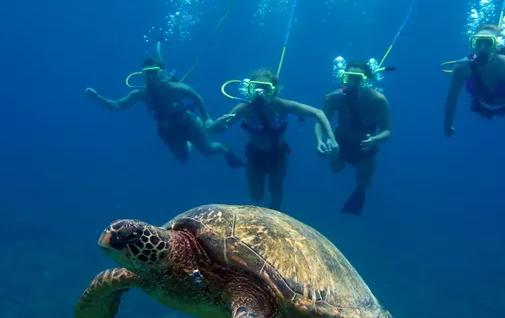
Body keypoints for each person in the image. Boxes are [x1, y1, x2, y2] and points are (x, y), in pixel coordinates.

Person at [209, 68, 339, 211]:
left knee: (276, 191)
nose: (260, 93)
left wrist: (331, 139)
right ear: (249, 89)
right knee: (256, 196)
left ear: (274, 91)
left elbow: (318, 113)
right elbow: (217, 130)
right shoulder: (243, 108)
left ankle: (274, 216)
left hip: (278, 155)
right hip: (255, 156)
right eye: (256, 88)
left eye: (266, 88)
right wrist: (216, 124)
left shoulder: (282, 106)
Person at [85, 56, 245, 167]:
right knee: (183, 159)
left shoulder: (175, 88)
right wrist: (97, 97)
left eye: (154, 71)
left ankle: (225, 149)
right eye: (147, 73)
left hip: (188, 123)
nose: (151, 76)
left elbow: (196, 97)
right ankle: (189, 144)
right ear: (143, 75)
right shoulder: (141, 94)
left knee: (208, 150)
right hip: (167, 132)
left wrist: (206, 118)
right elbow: (117, 106)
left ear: (161, 72)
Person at [316, 60, 391, 216]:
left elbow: (386, 131)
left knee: (363, 182)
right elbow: (322, 120)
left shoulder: (378, 100)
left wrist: (375, 140)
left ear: (367, 79)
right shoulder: (334, 97)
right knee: (335, 169)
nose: (353, 82)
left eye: (358, 78)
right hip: (342, 140)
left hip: (365, 144)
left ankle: (358, 196)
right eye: (349, 77)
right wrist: (320, 141)